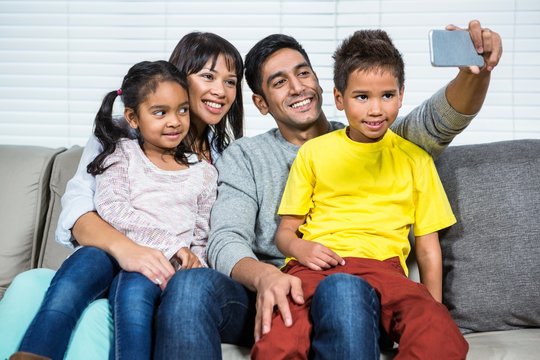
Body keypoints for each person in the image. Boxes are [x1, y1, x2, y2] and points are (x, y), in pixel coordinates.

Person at [153, 20, 502, 359]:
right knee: (189, 286)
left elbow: (442, 119)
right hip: (277, 288)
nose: (297, 87)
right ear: (261, 103)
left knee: (349, 292)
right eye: (279, 82)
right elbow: (227, 237)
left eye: (303, 73)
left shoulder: (375, 131)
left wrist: (476, 72)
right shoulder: (245, 156)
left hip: (368, 288)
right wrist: (266, 277)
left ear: (324, 87)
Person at [0, 32, 244, 359]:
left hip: (170, 276)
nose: (220, 90)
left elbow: (209, 233)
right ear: (180, 78)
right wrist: (133, 250)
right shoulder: (119, 141)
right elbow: (83, 208)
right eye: (207, 76)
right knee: (33, 285)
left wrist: (190, 261)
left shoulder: (224, 159)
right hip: (109, 258)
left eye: (231, 81)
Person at [251, 29, 469, 359]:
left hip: (384, 270)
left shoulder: (415, 160)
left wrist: (431, 307)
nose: (376, 109)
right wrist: (301, 248)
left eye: (387, 95)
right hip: (312, 269)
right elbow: (285, 233)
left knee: (441, 334)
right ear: (339, 98)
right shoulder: (314, 153)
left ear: (401, 94)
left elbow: (427, 248)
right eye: (362, 97)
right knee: (278, 342)